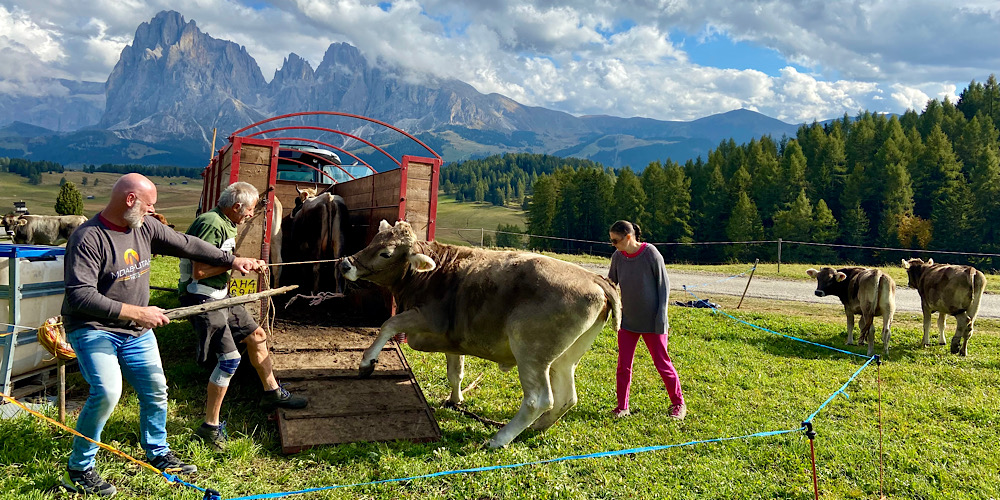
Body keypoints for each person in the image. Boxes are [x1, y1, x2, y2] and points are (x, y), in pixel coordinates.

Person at [61, 173, 265, 496]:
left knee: (156, 388)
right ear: (130, 200)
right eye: (149, 205)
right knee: (108, 391)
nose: (152, 212)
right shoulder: (88, 238)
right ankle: (79, 468)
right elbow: (79, 295)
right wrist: (138, 312)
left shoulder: (144, 227)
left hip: (135, 330)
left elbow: (186, 244)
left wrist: (233, 260)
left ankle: (158, 452)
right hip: (92, 327)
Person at [179, 182, 306, 452]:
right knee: (229, 360)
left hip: (220, 295)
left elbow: (222, 259)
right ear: (237, 206)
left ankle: (272, 393)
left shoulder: (226, 222)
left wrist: (242, 260)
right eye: (249, 210)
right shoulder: (212, 223)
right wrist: (236, 262)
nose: (251, 215)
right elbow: (199, 271)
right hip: (201, 297)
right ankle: (209, 427)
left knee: (257, 336)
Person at [607, 220, 687, 420]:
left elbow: (664, 286)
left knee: (662, 363)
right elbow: (611, 283)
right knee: (623, 365)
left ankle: (678, 404)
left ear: (628, 237)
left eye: (615, 241)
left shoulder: (651, 253)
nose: (613, 245)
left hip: (653, 322)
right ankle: (622, 407)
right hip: (628, 322)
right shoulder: (618, 257)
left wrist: (661, 316)